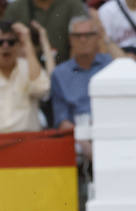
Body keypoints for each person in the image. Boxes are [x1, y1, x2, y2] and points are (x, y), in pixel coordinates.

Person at [51, 14, 111, 154]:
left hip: (109, 130)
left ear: (97, 37)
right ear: (70, 39)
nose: (83, 40)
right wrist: (84, 143)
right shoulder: (60, 74)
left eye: (88, 35)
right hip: (77, 137)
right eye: (77, 36)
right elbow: (62, 119)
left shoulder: (111, 65)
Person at [0, 0, 89, 64]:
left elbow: (85, 39)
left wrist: (68, 73)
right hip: (26, 70)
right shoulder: (16, 7)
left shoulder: (73, 4)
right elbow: (1, 40)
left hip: (65, 68)